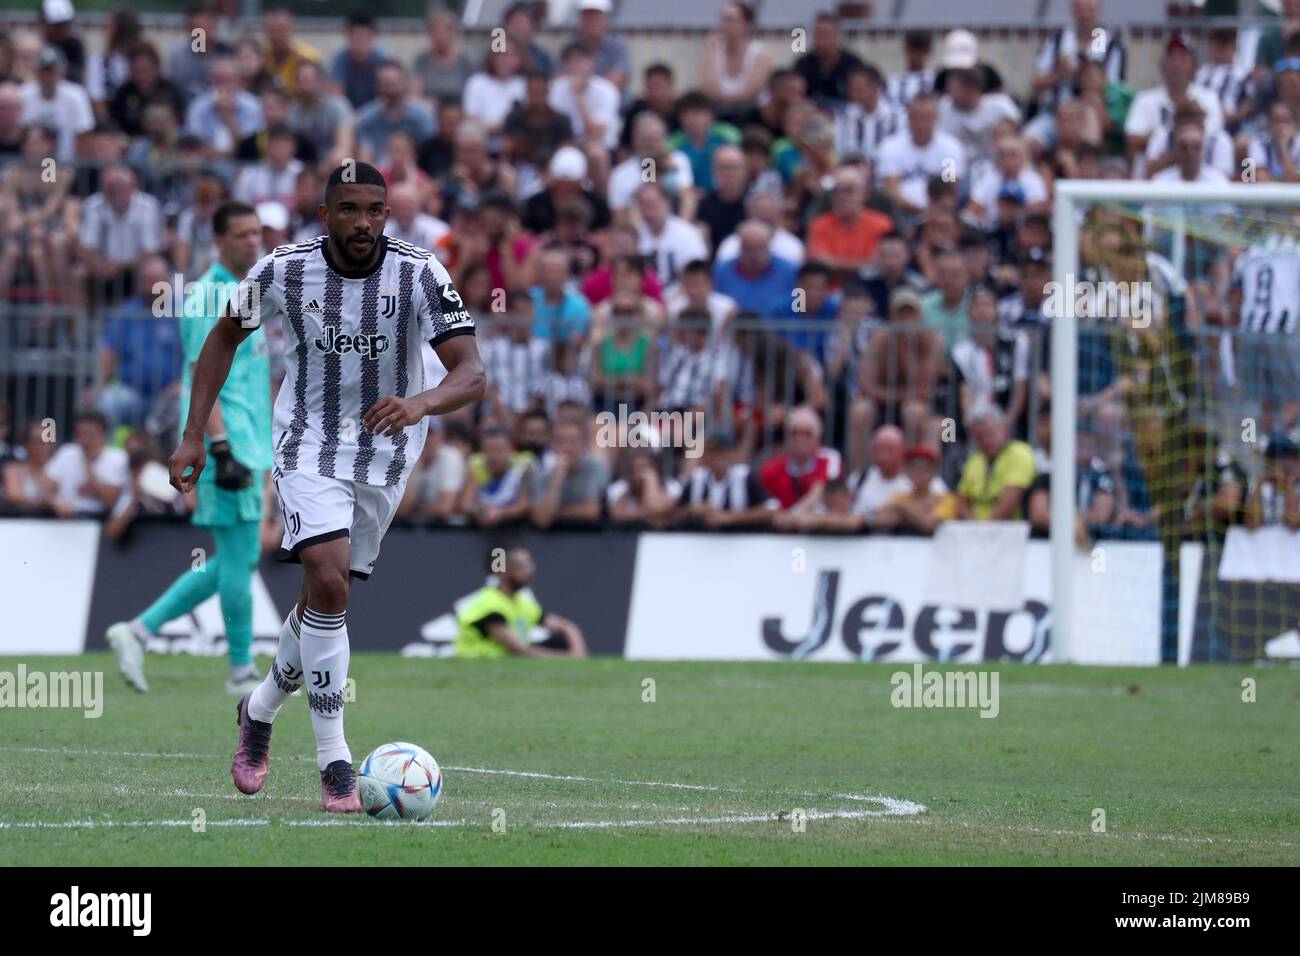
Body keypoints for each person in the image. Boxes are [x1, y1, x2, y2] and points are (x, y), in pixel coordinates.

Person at [167, 162, 485, 813]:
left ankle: (257, 712)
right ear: (325, 215)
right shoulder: (283, 269)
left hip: (389, 451)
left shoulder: (421, 272)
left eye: (375, 209)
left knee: (322, 596)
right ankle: (335, 762)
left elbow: (472, 372)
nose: (363, 222)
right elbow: (221, 340)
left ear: (387, 213)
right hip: (307, 443)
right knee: (330, 578)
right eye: (349, 210)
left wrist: (423, 403)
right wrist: (194, 432)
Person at [106, 204, 269, 695]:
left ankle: (138, 630)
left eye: (256, 233)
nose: (251, 242)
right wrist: (219, 446)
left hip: (250, 441)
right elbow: (205, 375)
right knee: (239, 558)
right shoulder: (206, 297)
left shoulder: (248, 293)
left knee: (236, 559)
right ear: (216, 242)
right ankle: (240, 671)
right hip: (227, 444)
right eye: (240, 235)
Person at [454, 545, 587, 658]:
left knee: (560, 642)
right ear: (505, 570)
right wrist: (567, 660)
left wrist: (578, 653)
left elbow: (567, 627)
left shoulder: (522, 603)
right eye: (523, 566)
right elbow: (518, 650)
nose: (530, 571)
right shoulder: (489, 604)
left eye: (530, 564)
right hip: (480, 667)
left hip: (508, 666)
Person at [956, 403, 1036, 520]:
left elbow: (1009, 502)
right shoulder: (974, 460)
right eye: (978, 437)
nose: (985, 441)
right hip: (976, 531)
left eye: (989, 434)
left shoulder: (1020, 454)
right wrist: (973, 526)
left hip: (1012, 532)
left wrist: (982, 531)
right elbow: (962, 499)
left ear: (1003, 428)